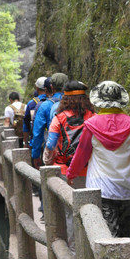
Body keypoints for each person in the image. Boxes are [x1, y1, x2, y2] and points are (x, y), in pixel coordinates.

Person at [67, 80, 130, 238]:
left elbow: (82, 153)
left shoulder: (91, 125)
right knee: (125, 235)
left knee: (107, 236)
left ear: (99, 101)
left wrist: (71, 173)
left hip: (101, 188)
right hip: (128, 188)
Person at [43, 80, 95, 249]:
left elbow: (50, 145)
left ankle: (74, 250)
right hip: (89, 171)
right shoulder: (93, 117)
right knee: (91, 211)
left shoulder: (59, 118)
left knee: (70, 212)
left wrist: (47, 161)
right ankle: (89, 247)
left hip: (65, 171)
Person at [31, 72, 69, 165]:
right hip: (74, 153)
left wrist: (35, 155)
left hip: (53, 153)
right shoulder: (77, 102)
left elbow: (37, 133)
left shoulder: (45, 105)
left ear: (51, 87)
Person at [23, 77, 47, 148]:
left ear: (37, 88)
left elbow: (26, 125)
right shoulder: (55, 101)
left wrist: (26, 142)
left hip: (36, 142)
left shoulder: (31, 104)